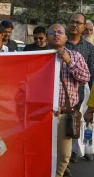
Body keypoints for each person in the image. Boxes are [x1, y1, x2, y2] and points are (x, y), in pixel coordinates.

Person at [47, 24, 90, 177]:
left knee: (64, 155)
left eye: (60, 32)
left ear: (66, 38)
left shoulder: (75, 56)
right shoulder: (39, 57)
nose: (56, 34)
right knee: (42, 152)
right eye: (52, 32)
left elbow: (85, 78)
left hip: (65, 115)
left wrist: (68, 61)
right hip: (43, 116)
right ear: (47, 37)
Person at [65, 12, 94, 164]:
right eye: (72, 21)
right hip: (62, 97)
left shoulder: (89, 48)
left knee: (80, 125)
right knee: (64, 127)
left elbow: (92, 75)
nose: (75, 25)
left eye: (78, 23)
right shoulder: (60, 45)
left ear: (83, 27)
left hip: (83, 95)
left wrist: (91, 105)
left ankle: (79, 151)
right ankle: (67, 155)